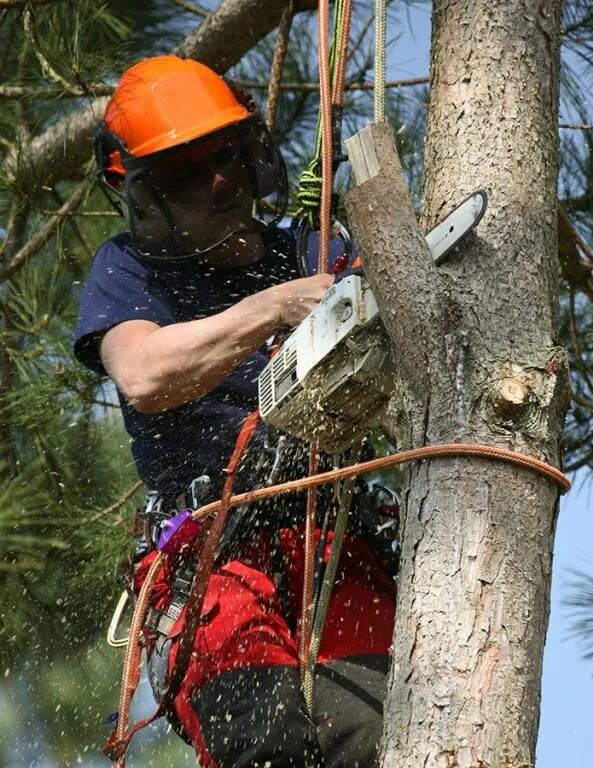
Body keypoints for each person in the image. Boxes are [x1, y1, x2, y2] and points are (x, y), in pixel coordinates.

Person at [74, 55, 397, 768]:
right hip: (213, 562)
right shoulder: (130, 269)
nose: (218, 181)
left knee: (372, 741)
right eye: (188, 172)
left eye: (224, 157)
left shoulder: (311, 250)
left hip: (333, 542)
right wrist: (272, 308)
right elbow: (144, 373)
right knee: (266, 745)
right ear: (148, 193)